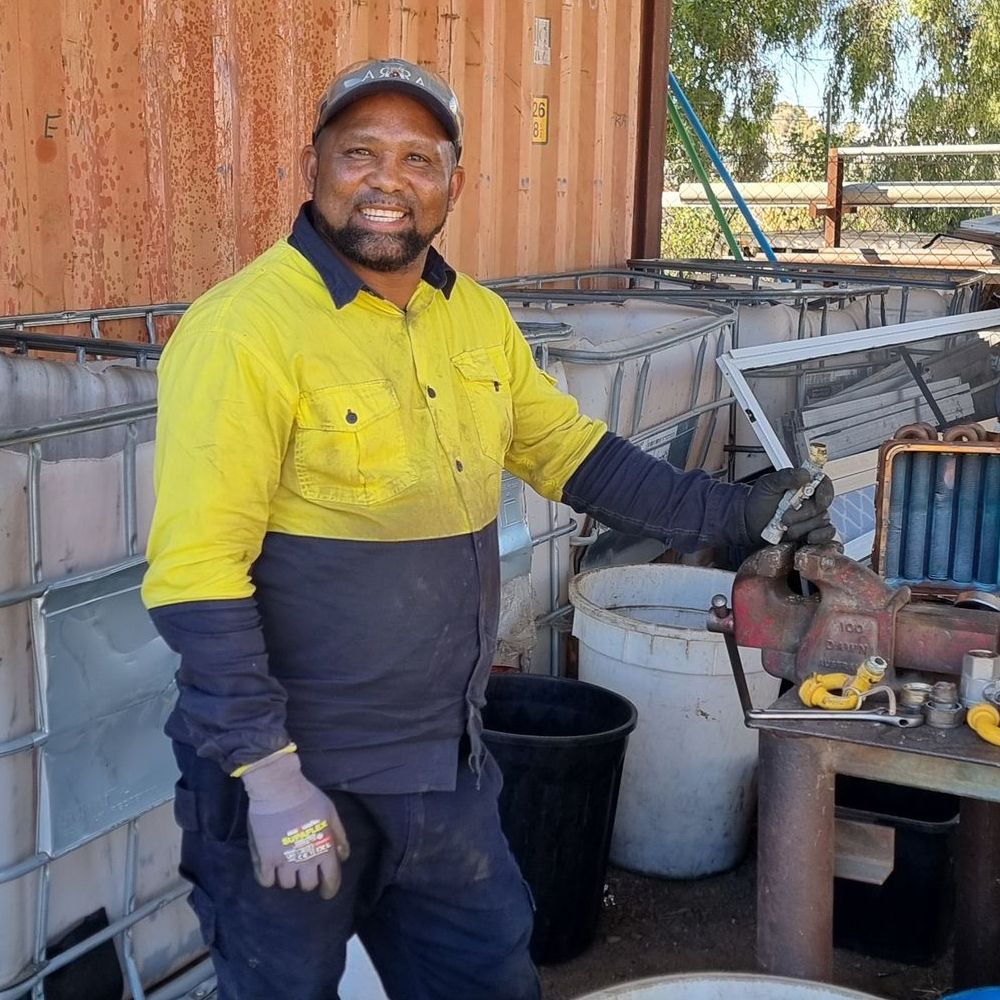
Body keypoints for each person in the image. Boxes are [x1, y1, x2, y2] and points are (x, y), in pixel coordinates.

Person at [142, 57, 834, 1000]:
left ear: (452, 185)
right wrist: (270, 780)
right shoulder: (243, 331)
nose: (388, 180)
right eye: (360, 153)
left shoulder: (474, 320)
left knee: (491, 981)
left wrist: (737, 515)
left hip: (444, 771)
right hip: (307, 781)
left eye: (419, 159)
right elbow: (196, 574)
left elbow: (575, 456)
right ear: (313, 167)